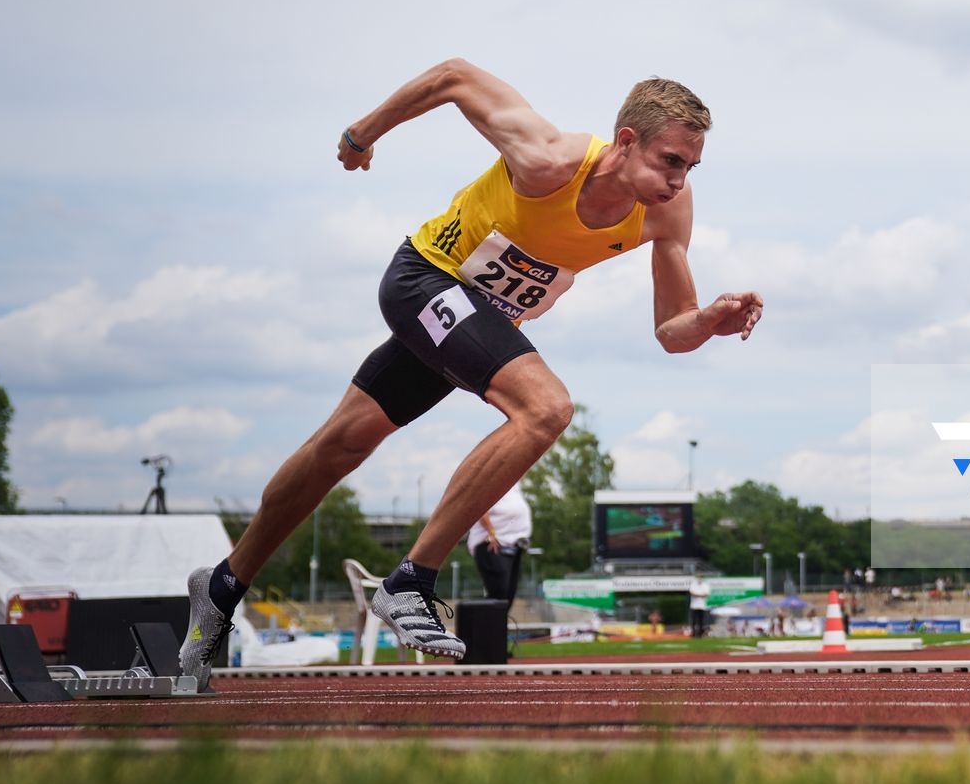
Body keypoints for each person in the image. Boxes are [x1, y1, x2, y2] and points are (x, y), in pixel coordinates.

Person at [177, 63, 764, 681]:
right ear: (626, 140)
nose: (679, 181)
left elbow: (672, 329)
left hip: (475, 316)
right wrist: (361, 134)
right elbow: (455, 77)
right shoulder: (547, 158)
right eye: (670, 161)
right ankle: (411, 581)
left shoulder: (666, 212)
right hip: (424, 280)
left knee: (340, 444)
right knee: (546, 408)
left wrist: (708, 321)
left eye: (690, 167)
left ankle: (221, 585)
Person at [468, 478, 532, 612]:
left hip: (513, 546)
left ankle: (498, 623)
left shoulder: (513, 485)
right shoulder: (491, 482)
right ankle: (484, 623)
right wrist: (491, 532)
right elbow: (480, 509)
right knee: (498, 592)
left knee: (509, 593)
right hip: (492, 544)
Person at [688, 572, 711, 638]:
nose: (700, 578)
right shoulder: (693, 584)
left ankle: (700, 634)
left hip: (702, 606)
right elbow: (692, 593)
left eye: (701, 576)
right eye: (698, 576)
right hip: (694, 606)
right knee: (694, 621)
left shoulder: (706, 585)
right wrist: (701, 595)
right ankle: (694, 633)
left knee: (701, 621)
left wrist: (698, 595)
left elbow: (707, 594)